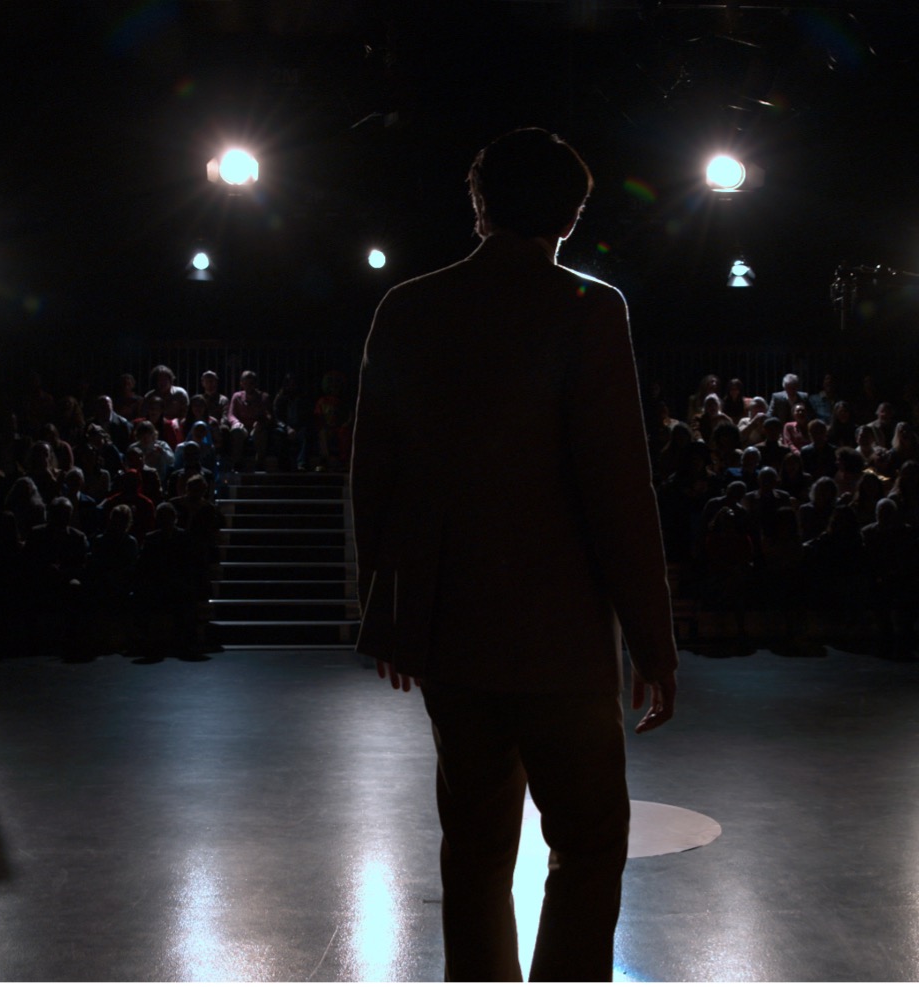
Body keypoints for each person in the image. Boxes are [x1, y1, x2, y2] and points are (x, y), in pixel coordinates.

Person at [349, 127, 678, 983]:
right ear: (570, 217)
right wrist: (652, 642)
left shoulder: (406, 308)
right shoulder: (589, 309)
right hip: (562, 640)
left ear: (480, 204)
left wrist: (389, 615)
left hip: (453, 632)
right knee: (589, 844)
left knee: (475, 849)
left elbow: (372, 478)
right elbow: (618, 488)